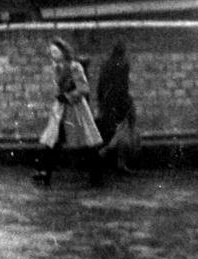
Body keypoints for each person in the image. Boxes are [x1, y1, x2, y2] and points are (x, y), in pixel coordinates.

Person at [33, 37, 104, 187]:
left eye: (56, 51)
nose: (53, 54)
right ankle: (44, 173)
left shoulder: (74, 67)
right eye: (51, 52)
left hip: (76, 109)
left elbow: (84, 89)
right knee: (52, 141)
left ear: (63, 51)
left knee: (87, 142)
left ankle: (96, 175)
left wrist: (67, 96)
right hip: (61, 110)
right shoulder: (56, 67)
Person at [96, 40, 137, 174]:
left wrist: (101, 103)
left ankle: (110, 161)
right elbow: (122, 86)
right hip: (119, 103)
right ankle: (114, 160)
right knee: (121, 132)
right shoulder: (124, 64)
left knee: (109, 133)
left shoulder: (105, 64)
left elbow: (100, 86)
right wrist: (126, 104)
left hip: (107, 104)